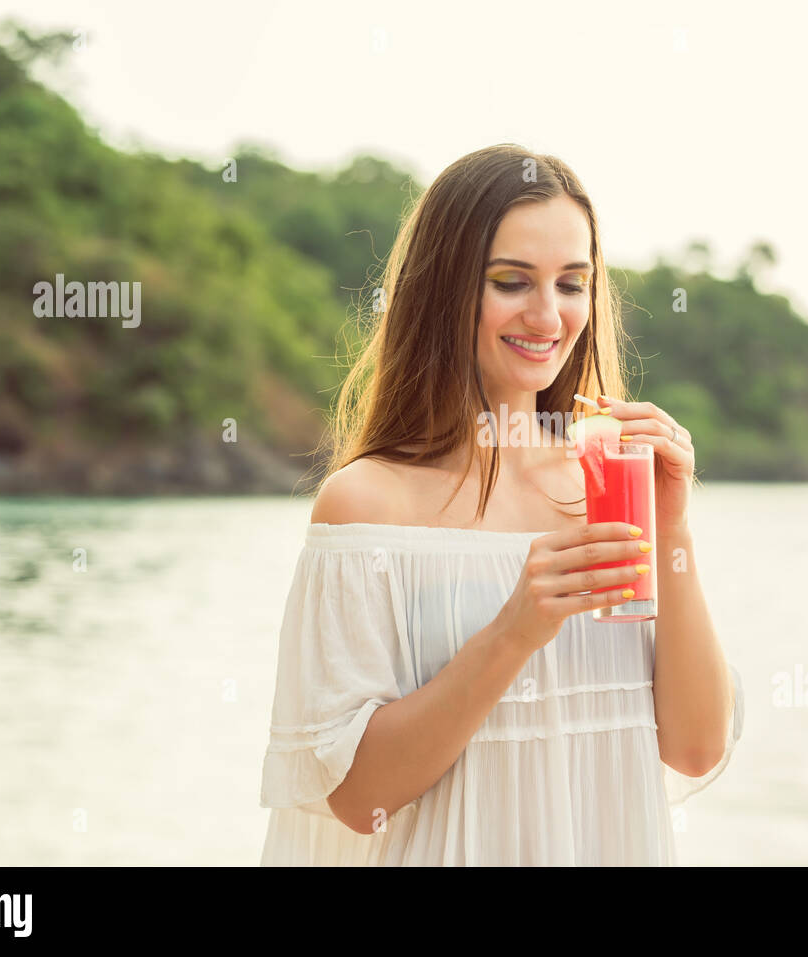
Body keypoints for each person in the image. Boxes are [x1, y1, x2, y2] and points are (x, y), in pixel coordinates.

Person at [259, 144, 743, 865]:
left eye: (572, 284)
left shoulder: (608, 489)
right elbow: (359, 799)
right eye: (512, 281)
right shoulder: (368, 503)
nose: (548, 316)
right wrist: (513, 631)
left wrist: (671, 526)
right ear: (445, 289)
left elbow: (697, 746)